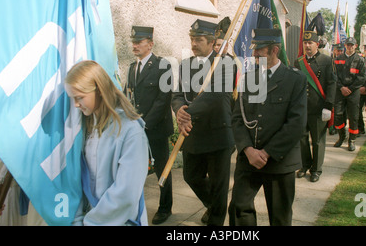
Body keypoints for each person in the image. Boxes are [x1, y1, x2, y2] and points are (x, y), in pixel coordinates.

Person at [228, 28, 307, 226]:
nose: (254, 53)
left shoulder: (295, 80)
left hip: (280, 160)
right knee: (239, 208)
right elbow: (238, 118)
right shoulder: (248, 78)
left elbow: (296, 124)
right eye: (254, 49)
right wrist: (248, 150)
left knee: (280, 217)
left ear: (274, 50)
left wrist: (267, 152)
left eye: (259, 49)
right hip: (249, 158)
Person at [66, 60, 149, 226]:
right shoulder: (86, 127)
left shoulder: (131, 131)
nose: (75, 104)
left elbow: (126, 193)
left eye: (80, 97)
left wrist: (89, 222)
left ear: (99, 91)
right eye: (72, 98)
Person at [171, 19, 235, 226]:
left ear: (211, 41)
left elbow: (214, 96)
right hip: (192, 133)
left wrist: (187, 112)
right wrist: (179, 109)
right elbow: (177, 94)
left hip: (218, 134)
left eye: (198, 39)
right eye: (192, 39)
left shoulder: (225, 63)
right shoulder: (185, 65)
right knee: (191, 176)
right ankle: (214, 205)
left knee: (219, 186)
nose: (194, 43)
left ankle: (216, 222)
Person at [123, 26, 174, 225]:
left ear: (150, 44)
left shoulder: (162, 66)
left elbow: (163, 99)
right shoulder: (132, 67)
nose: (134, 45)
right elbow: (130, 96)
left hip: (156, 128)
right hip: (137, 128)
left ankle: (165, 207)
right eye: (133, 42)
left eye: (139, 42)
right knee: (135, 168)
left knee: (163, 169)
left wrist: (145, 124)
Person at [295, 30, 336, 182]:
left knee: (318, 140)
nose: (307, 46)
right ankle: (305, 165)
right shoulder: (299, 62)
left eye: (310, 43)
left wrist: (328, 106)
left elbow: (332, 84)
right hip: (302, 107)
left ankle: (316, 169)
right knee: (302, 138)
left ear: (317, 44)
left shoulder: (326, 60)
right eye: (305, 43)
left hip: (319, 108)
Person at [333, 37, 366, 151]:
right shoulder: (338, 59)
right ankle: (342, 137)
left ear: (355, 46)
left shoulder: (360, 60)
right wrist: (341, 87)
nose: (350, 47)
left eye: (352, 45)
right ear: (345, 45)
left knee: (353, 117)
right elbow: (334, 76)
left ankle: (352, 140)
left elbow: (361, 78)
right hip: (340, 91)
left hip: (353, 92)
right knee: (337, 115)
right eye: (348, 45)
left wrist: (350, 89)